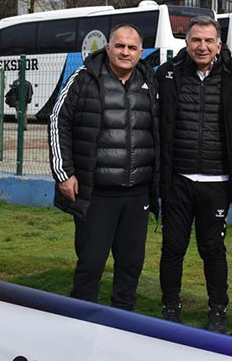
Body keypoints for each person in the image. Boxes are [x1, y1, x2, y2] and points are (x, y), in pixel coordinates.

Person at [48, 23, 160, 312]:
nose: (125, 52)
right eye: (119, 46)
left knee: (131, 264)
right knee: (91, 262)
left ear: (141, 52)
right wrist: (64, 173)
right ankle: (81, 317)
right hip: (96, 192)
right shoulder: (84, 78)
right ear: (108, 48)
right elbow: (58, 121)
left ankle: (123, 320)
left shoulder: (150, 81)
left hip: (137, 192)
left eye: (132, 47)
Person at [156, 15, 232, 333]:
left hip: (217, 183)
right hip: (178, 181)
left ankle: (218, 310)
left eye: (209, 40)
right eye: (196, 39)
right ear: (186, 42)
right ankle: (170, 305)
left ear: (219, 45)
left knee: (213, 250)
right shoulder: (166, 74)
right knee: (173, 247)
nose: (202, 46)